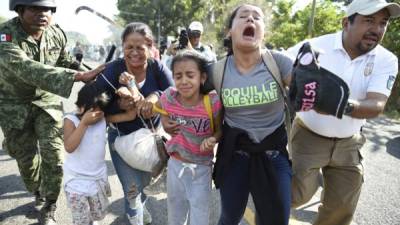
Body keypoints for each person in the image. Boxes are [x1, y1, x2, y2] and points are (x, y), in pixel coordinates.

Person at [162, 4, 294, 225]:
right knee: (230, 217)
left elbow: (307, 92)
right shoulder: (217, 70)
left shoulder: (279, 62)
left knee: (277, 219)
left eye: (257, 18)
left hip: (273, 152)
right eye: (243, 16)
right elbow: (181, 91)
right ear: (229, 31)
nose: (250, 20)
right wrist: (165, 116)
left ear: (264, 31)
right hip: (235, 154)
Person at [287, 1, 400, 225]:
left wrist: (338, 104)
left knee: (341, 208)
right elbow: (282, 74)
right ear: (346, 22)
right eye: (369, 20)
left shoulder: (387, 60)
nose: (377, 29)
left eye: (383, 23)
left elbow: (376, 105)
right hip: (308, 136)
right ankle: (265, 185)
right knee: (296, 196)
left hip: (349, 142)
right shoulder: (313, 47)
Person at [0, 0, 104, 224]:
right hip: (13, 104)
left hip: (47, 100)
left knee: (54, 155)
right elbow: (25, 68)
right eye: (35, 9)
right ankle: (36, 187)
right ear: (20, 10)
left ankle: (49, 204)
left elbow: (64, 60)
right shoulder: (5, 35)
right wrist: (76, 77)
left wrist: (87, 72)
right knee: (26, 162)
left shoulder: (56, 33)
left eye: (47, 9)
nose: (42, 14)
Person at [93, 22, 174, 225]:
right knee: (132, 190)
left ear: (151, 48)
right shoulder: (112, 71)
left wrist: (155, 97)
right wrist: (121, 111)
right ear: (122, 47)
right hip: (121, 141)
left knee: (146, 186)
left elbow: (177, 95)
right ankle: (135, 215)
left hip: (153, 141)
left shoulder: (158, 68)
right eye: (129, 47)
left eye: (141, 47)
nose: (135, 52)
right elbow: (91, 109)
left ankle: (138, 208)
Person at [154, 50, 222, 225]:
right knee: (175, 215)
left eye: (190, 75)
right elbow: (158, 107)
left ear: (202, 77)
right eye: (178, 76)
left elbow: (220, 130)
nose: (183, 81)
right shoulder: (170, 96)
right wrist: (164, 119)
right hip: (175, 165)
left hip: (201, 169)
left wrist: (213, 139)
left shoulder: (212, 103)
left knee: (199, 217)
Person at [63, 83, 111, 225]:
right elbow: (69, 147)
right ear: (82, 106)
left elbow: (129, 115)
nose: (96, 115)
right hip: (76, 182)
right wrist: (84, 123)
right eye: (93, 111)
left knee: (99, 214)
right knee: (81, 221)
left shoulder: (102, 118)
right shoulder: (70, 120)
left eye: (100, 111)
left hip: (97, 179)